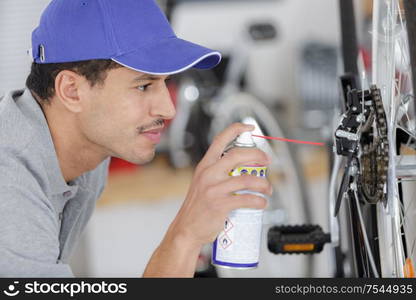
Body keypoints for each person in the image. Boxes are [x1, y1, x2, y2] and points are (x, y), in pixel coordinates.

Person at [0, 0, 271, 277]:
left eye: (165, 82)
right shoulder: (10, 189)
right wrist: (185, 236)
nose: (168, 109)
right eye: (143, 86)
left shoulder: (88, 151)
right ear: (72, 91)